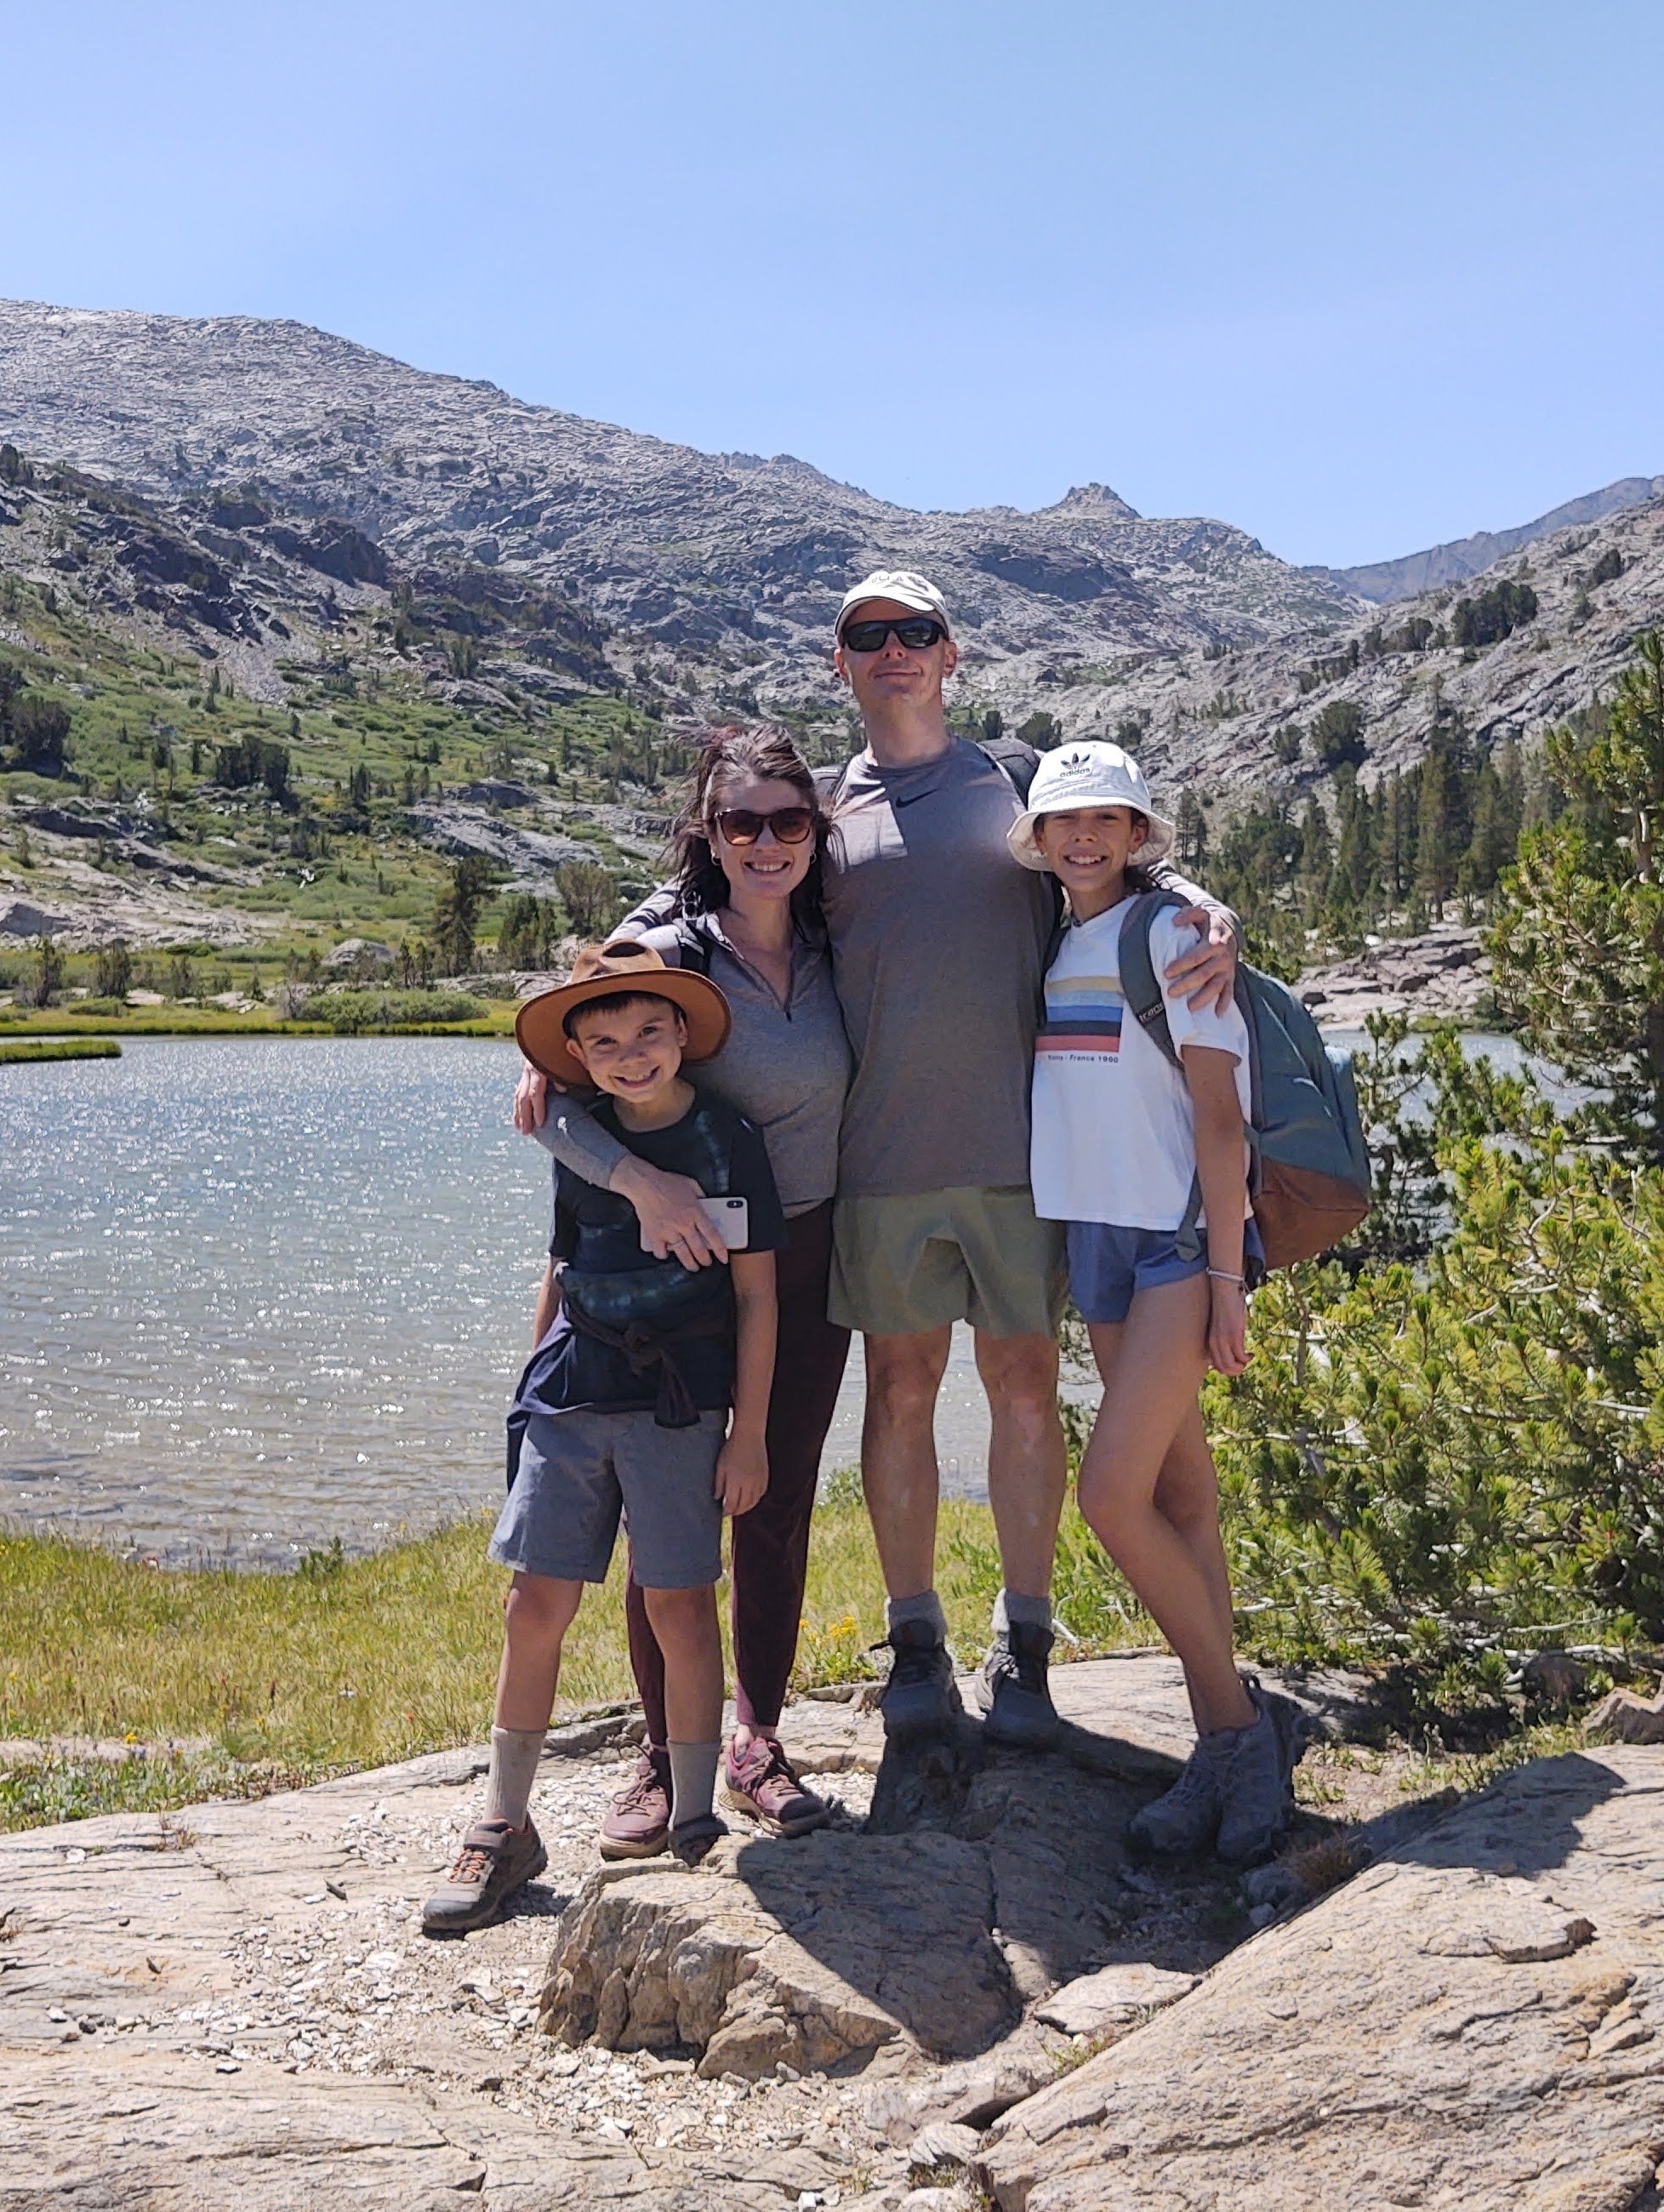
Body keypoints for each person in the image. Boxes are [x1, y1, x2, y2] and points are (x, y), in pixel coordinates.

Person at [546, 570, 1239, 1757]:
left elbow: (1106, 857)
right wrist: (593, 991)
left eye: (916, 632)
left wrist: (1198, 895)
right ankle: (915, 1644)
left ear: (951, 652)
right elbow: (706, 884)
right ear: (841, 664)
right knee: (902, 1390)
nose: (895, 651)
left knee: (1026, 1390)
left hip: (1025, 1161)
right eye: (869, 636)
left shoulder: (1014, 783)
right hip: (877, 1164)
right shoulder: (818, 811)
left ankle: (1026, 1649)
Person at [533, 727, 856, 1850]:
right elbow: (555, 1091)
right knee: (663, 1506)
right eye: (741, 822)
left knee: (772, 1494)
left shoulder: (839, 935)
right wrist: (634, 1182)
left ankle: (757, 1738)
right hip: (672, 1259)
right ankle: (665, 1760)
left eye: (789, 821)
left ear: (816, 832)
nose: (767, 842)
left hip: (805, 1251)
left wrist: (1193, 903)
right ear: (707, 836)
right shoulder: (665, 947)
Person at [421, 949, 781, 1936]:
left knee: (678, 1601)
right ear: (576, 1053)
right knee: (533, 1602)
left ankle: (698, 1815)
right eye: (605, 1042)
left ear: (683, 1036)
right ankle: (503, 1823)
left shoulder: (728, 1138)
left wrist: (748, 1432)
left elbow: (757, 1295)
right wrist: (525, 1388)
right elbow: (561, 1263)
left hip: (680, 1404)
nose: (630, 1057)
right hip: (573, 1393)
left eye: (649, 1034)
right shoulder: (577, 1142)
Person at [1012, 741, 1291, 1864]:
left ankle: (1236, 1734)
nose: (1083, 837)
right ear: (1037, 841)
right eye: (1062, 822)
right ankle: (1217, 1751)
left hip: (1178, 1243)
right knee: (1181, 1494)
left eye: (1106, 820)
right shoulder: (1064, 935)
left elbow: (1220, 1121)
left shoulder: (1174, 935)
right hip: (1101, 1242)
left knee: (1110, 1498)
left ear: (1138, 836)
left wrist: (1229, 1277)